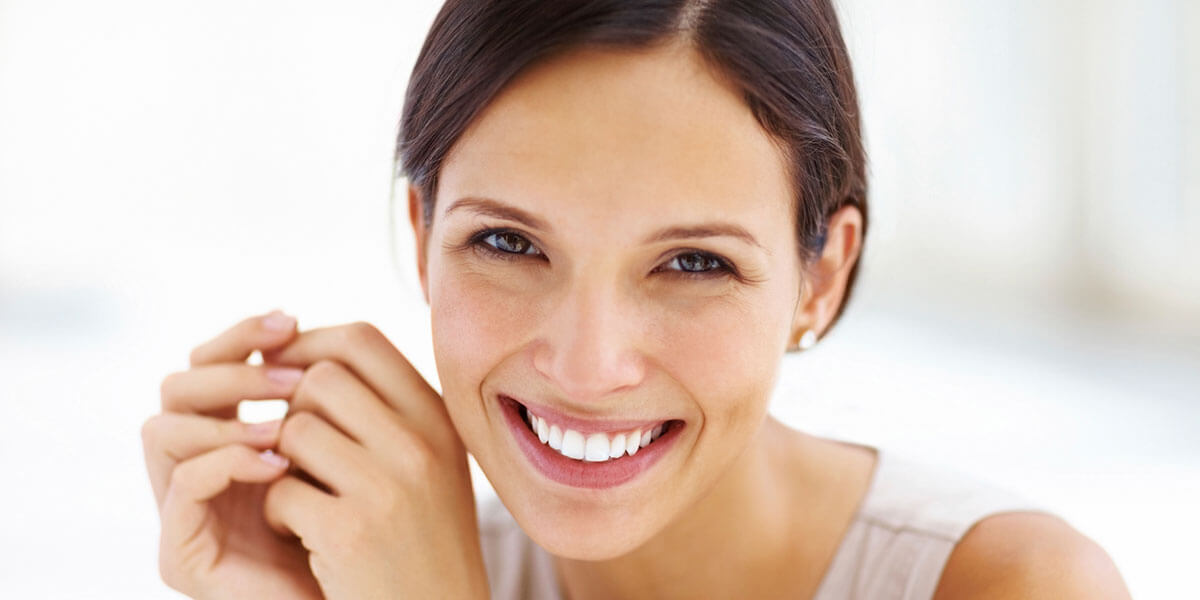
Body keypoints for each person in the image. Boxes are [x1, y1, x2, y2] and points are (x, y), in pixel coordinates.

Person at [141, 0, 1131, 598]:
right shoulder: (378, 574)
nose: (588, 363)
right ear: (420, 239)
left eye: (694, 263)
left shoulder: (1013, 588)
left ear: (818, 277)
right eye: (506, 242)